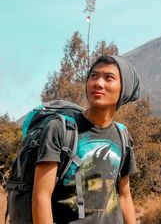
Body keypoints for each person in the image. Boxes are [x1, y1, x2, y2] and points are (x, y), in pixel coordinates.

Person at [31, 55, 140, 224]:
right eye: (93, 76)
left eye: (108, 78)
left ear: (123, 89)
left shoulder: (123, 136)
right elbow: (41, 196)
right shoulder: (61, 129)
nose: (98, 83)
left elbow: (125, 197)